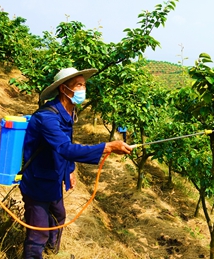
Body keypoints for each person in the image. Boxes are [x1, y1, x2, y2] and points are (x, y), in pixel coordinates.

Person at [19, 67, 133, 259]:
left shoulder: (68, 112)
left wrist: (69, 170)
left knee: (58, 217)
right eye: (79, 85)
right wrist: (108, 147)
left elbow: (65, 148)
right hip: (38, 183)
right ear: (64, 89)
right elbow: (65, 148)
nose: (83, 89)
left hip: (53, 178)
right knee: (38, 233)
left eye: (84, 84)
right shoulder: (47, 117)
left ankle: (52, 252)